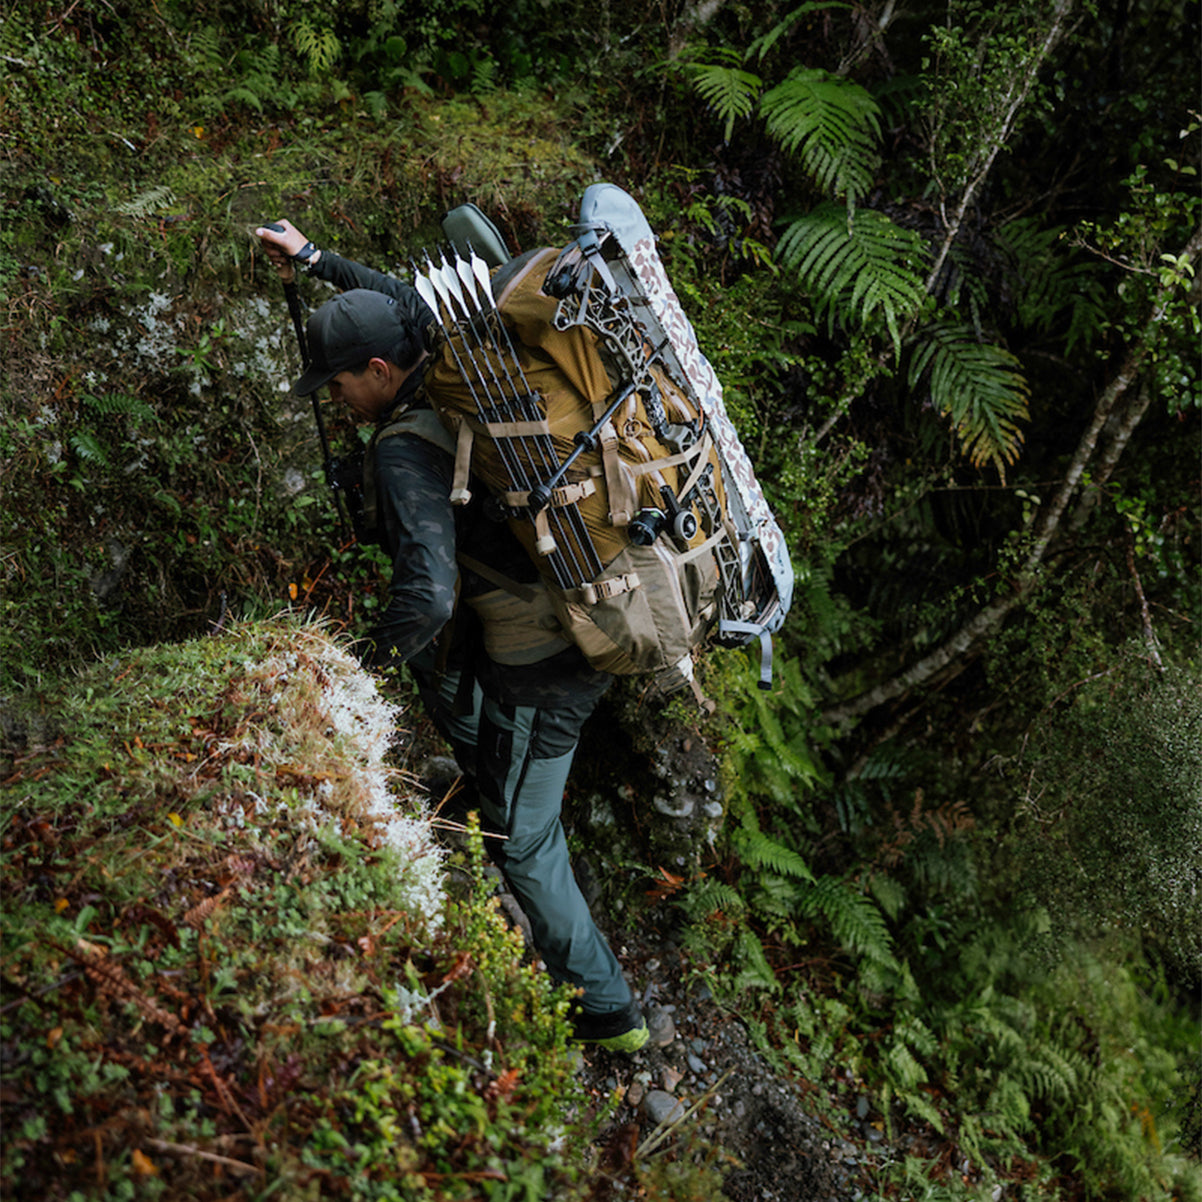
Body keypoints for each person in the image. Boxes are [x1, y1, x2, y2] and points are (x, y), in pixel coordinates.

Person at [256, 219, 650, 1053]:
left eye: (338, 383)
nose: (336, 398)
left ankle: (608, 1010)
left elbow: (428, 599)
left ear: (378, 370)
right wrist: (315, 260)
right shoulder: (448, 354)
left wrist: (349, 670)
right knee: (452, 685)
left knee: (524, 839)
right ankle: (484, 784)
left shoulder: (404, 450)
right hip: (544, 615)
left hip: (550, 661)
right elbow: (401, 298)